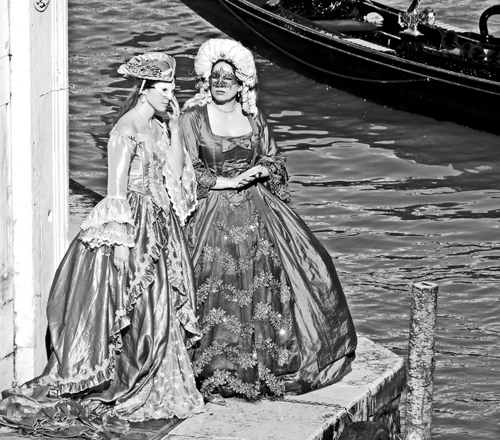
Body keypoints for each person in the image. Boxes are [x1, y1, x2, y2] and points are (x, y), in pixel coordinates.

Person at [0, 52, 203, 438]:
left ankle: (160, 377)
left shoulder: (159, 126)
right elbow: (115, 191)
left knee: (162, 306)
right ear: (144, 90)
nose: (170, 95)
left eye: (172, 88)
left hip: (161, 224)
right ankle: (129, 375)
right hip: (133, 225)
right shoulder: (125, 129)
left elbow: (175, 173)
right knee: (137, 306)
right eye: (163, 89)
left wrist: (177, 128)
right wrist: (123, 244)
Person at [179, 38, 357, 402]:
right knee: (214, 279)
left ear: (241, 82)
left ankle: (269, 361)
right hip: (212, 209)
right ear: (206, 79)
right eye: (215, 77)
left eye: (228, 78)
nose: (221, 83)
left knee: (301, 269)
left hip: (257, 205)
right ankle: (212, 365)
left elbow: (273, 158)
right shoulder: (192, 118)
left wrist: (258, 170)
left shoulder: (253, 116)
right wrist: (227, 182)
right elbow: (185, 168)